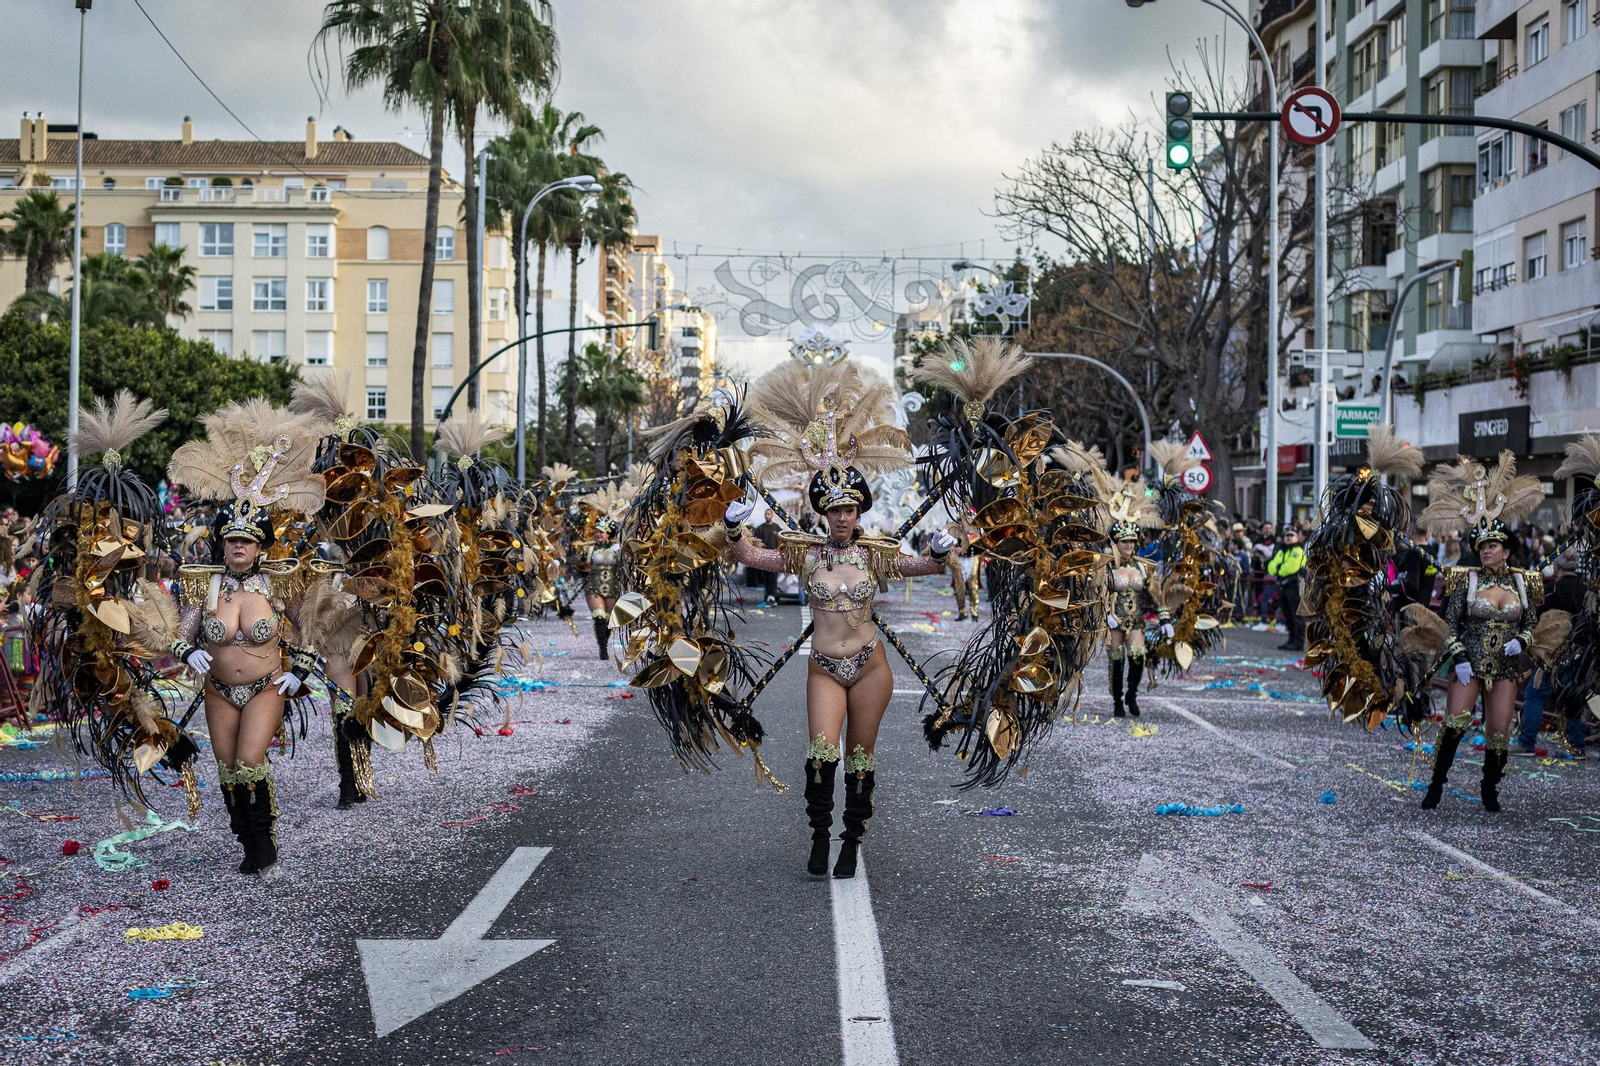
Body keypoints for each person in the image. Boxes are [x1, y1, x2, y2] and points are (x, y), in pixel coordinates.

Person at [726, 405, 955, 878]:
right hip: (825, 668)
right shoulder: (804, 557)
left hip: (871, 667)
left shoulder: (876, 556)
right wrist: (733, 526)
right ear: (825, 514)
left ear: (859, 511)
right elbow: (750, 554)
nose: (842, 518)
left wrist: (938, 551)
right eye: (834, 511)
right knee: (820, 756)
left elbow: (927, 568)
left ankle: (851, 842)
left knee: (859, 759)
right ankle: (818, 836)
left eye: (849, 509)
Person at [168, 401, 328, 872]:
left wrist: (300, 671)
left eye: (248, 542)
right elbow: (182, 630)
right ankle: (244, 838)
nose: (238, 548)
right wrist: (187, 650)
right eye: (232, 541)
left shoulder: (279, 582)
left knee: (250, 759)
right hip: (218, 688)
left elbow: (313, 628)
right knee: (228, 769)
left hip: (265, 687)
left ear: (260, 547)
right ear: (223, 544)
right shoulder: (203, 582)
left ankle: (263, 841)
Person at [1417, 452, 1546, 812]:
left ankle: (1490, 789)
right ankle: (1436, 787)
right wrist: (1458, 656)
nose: (1486, 551)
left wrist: (1523, 640)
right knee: (1455, 724)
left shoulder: (1522, 584)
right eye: (1482, 546)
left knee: (1499, 733)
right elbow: (1447, 622)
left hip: (1505, 668)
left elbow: (1532, 622)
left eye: (1492, 546)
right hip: (1469, 663)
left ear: (1506, 550)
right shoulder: (1467, 581)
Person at [1514, 546, 1585, 756]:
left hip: (1551, 655)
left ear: (1557, 565)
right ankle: (1577, 746)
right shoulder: (1586, 589)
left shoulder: (1553, 589)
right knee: (1573, 697)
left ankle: (1526, 743)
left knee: (1535, 695)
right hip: (1579, 653)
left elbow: (1533, 617)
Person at [1267, 527, 1307, 651]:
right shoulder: (1281, 551)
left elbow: (1291, 567)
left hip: (1294, 586)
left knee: (1296, 615)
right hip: (1283, 586)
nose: (1288, 537)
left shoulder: (1298, 550)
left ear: (1296, 538)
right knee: (1287, 614)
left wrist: (1279, 568)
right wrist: (1279, 567)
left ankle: (1298, 641)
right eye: (1287, 535)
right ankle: (1291, 639)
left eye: (1291, 535)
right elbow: (1271, 567)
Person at [753, 509, 783, 605]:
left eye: (769, 514)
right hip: (764, 557)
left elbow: (782, 541)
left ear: (772, 515)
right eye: (766, 514)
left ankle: (772, 596)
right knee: (766, 578)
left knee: (773, 578)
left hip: (775, 557)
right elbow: (756, 543)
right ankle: (767, 597)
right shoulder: (760, 529)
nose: (767, 516)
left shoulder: (777, 528)